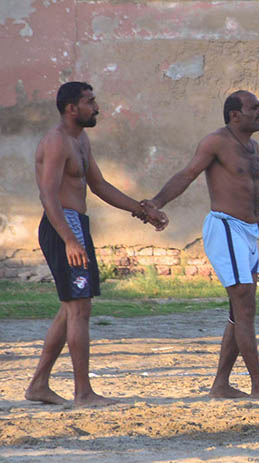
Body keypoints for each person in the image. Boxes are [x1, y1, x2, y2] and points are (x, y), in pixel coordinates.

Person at [144, 90, 259, 400]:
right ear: (235, 115)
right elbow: (187, 174)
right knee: (245, 305)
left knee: (239, 310)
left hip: (247, 232)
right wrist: (156, 203)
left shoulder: (252, 147)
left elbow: (251, 197)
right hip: (225, 227)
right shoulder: (216, 142)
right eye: (254, 108)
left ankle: (221, 385)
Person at [27, 81, 167, 407]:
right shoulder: (56, 142)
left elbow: (99, 185)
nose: (97, 107)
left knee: (71, 308)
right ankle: (83, 393)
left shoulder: (80, 140)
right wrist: (69, 239)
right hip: (63, 226)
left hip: (76, 225)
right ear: (71, 108)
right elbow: (48, 194)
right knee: (80, 309)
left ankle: (38, 385)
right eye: (90, 102)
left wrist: (142, 211)